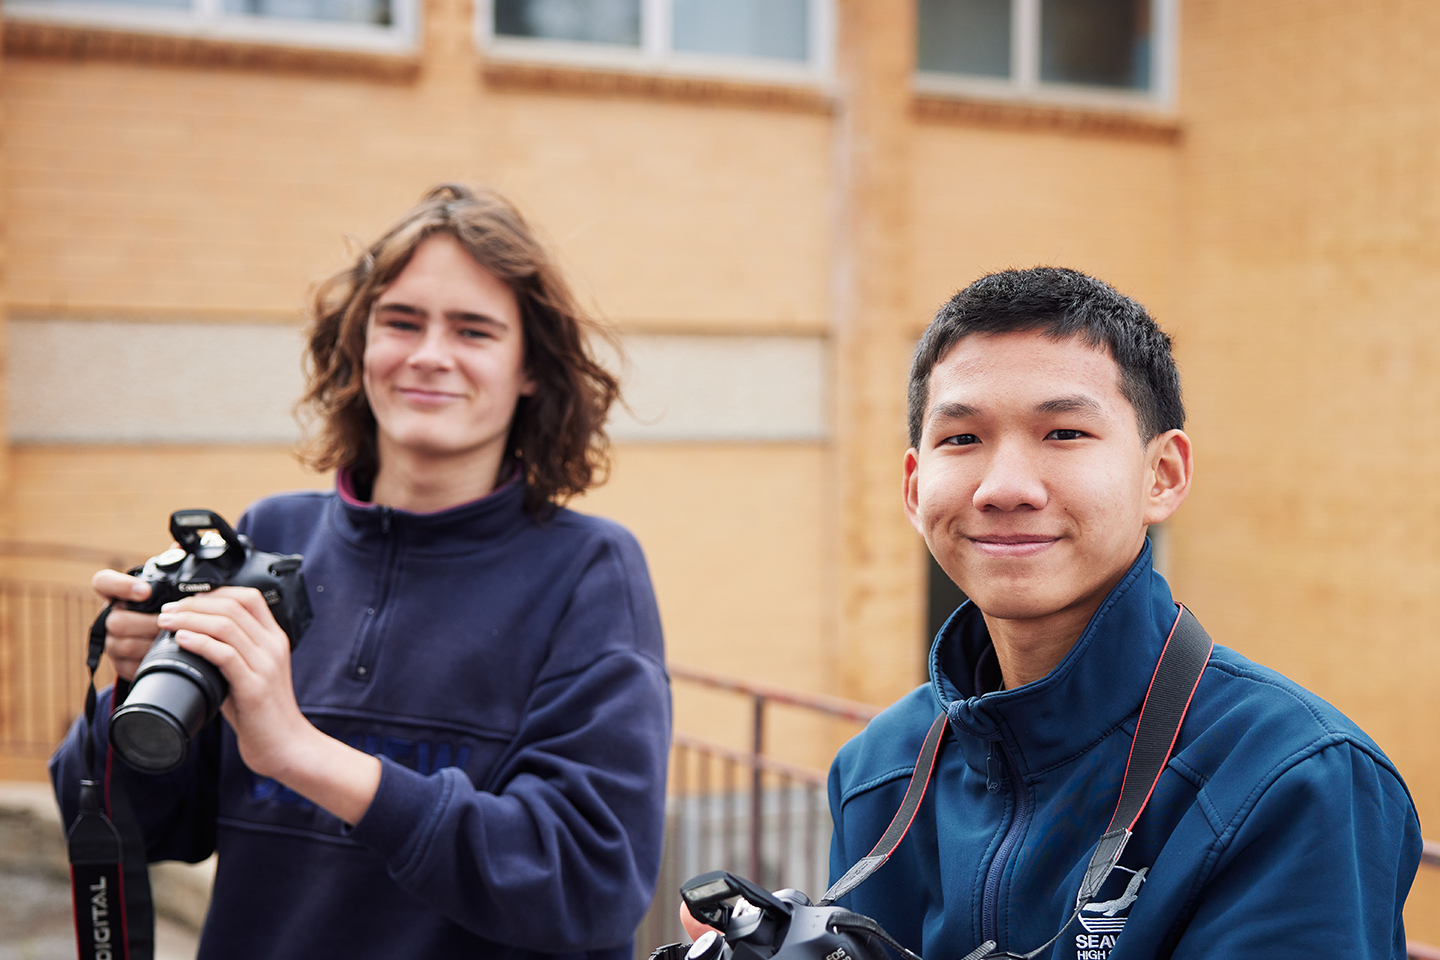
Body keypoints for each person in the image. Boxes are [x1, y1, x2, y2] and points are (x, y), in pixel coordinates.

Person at [682, 267, 1422, 958]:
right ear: (914, 489)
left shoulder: (1292, 777)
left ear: (1161, 475)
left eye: (1063, 433)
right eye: (961, 438)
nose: (1004, 487)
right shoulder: (882, 769)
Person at [52, 183, 671, 960]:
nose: (429, 355)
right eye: (401, 322)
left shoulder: (588, 571)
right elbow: (148, 825)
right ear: (359, 346)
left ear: (531, 371)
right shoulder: (270, 535)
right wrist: (132, 690)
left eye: (474, 330)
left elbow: (588, 885)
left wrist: (303, 754)